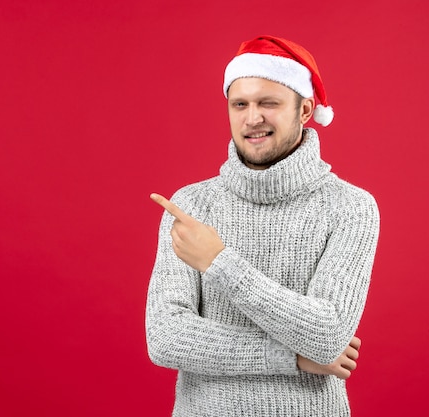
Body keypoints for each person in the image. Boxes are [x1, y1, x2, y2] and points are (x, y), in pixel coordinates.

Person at [145, 35, 380, 417]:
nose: (252, 118)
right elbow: (167, 338)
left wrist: (219, 261)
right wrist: (293, 357)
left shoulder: (350, 207)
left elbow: (326, 335)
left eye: (268, 103)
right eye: (240, 104)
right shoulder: (191, 205)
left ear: (304, 110)